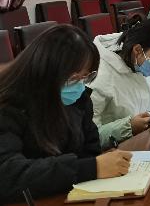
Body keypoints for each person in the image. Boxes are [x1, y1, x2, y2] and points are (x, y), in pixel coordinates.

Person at [0, 25, 132, 202]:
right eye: (73, 78)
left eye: (86, 77)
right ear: (44, 70)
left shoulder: (77, 98)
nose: (79, 85)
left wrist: (99, 164)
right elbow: (7, 174)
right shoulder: (8, 104)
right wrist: (90, 168)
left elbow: (90, 149)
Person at [91, 16, 150, 149]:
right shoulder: (100, 77)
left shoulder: (140, 63)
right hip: (116, 151)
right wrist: (128, 127)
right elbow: (88, 136)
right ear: (137, 50)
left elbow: (148, 98)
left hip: (145, 139)